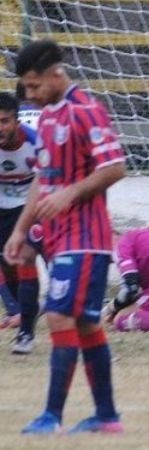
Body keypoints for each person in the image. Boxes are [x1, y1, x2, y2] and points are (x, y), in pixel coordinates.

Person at [6, 39, 124, 434]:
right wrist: (22, 229)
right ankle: (106, 418)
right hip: (59, 238)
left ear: (56, 74)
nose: (30, 94)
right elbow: (44, 177)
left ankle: (52, 416)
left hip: (86, 237)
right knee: (88, 324)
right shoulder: (49, 117)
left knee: (58, 314)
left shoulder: (85, 111)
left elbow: (114, 167)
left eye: (34, 86)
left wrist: (71, 193)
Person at [0, 92, 40, 356]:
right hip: (3, 208)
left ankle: (26, 331)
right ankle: (25, 312)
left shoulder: (36, 141)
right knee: (9, 265)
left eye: (4, 121)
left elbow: (48, 180)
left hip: (35, 206)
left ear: (16, 121)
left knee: (27, 257)